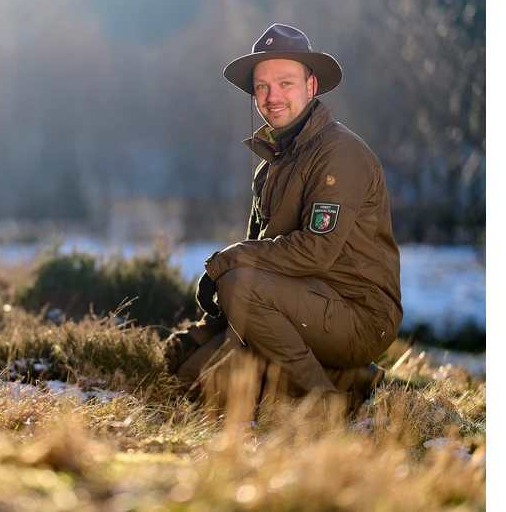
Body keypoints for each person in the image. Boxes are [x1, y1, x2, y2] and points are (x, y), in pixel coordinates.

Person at [164, 23, 402, 416]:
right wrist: (206, 331)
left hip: (359, 314)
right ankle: (352, 380)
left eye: (285, 83)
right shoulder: (271, 165)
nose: (272, 97)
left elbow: (314, 253)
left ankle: (323, 409)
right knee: (191, 379)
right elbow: (263, 263)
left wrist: (225, 265)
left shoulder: (339, 154)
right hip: (298, 306)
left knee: (239, 285)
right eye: (262, 87)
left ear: (312, 87)